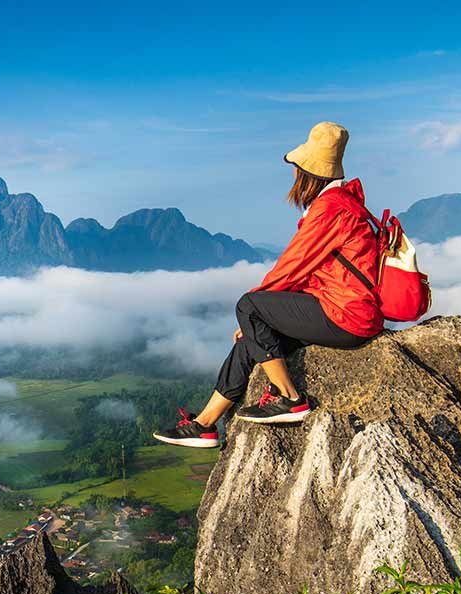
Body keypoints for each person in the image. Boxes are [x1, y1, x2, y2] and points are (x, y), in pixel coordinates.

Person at [154, 122, 385, 448]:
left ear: (308, 172)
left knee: (248, 305)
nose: (292, 177)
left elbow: (291, 266)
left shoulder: (331, 210)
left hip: (347, 316)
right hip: (342, 310)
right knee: (251, 342)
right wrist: (257, 325)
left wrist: (254, 312)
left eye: (296, 169)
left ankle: (290, 398)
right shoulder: (342, 203)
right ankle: (205, 424)